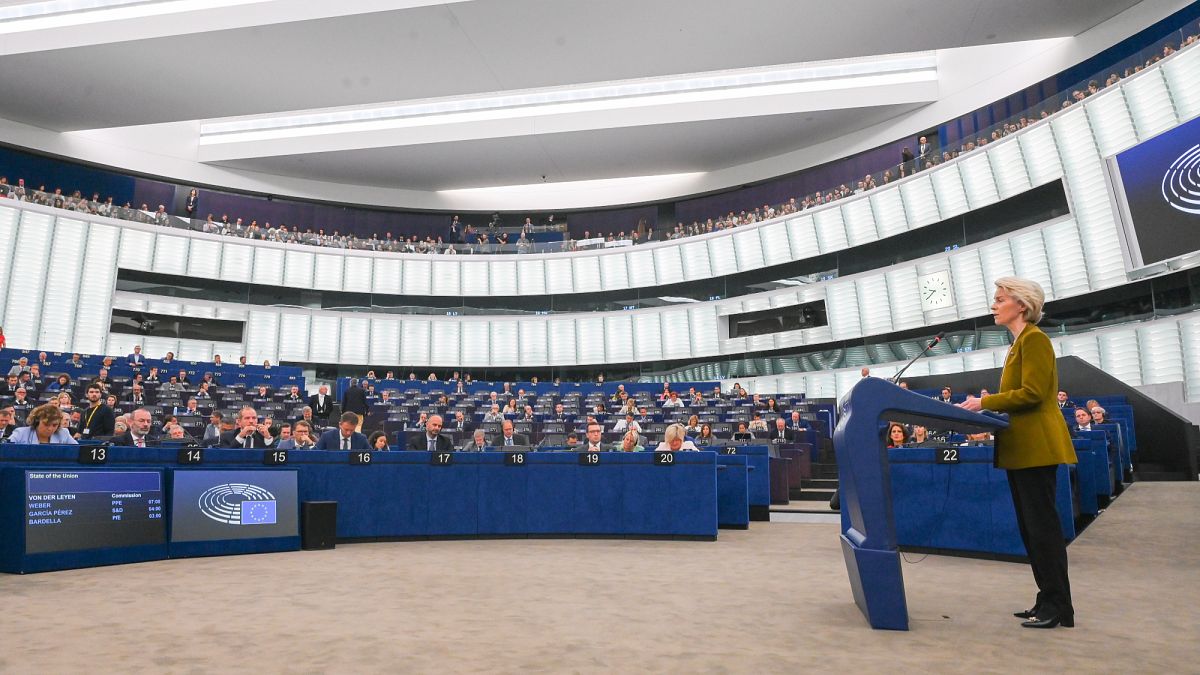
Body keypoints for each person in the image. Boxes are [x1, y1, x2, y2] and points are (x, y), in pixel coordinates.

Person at [959, 276, 1076, 629]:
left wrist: (984, 403)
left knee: (1043, 530)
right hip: (1022, 448)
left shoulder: (1035, 339)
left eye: (1000, 299)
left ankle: (1059, 606)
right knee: (1031, 531)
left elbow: (1033, 393)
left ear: (1021, 305)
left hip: (1037, 448)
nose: (993, 305)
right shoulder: (1018, 344)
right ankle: (1048, 599)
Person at [9, 403, 78, 444]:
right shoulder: (20, 433)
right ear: (36, 421)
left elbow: (78, 452)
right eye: (46, 424)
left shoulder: (64, 433)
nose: (50, 428)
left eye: (54, 425)